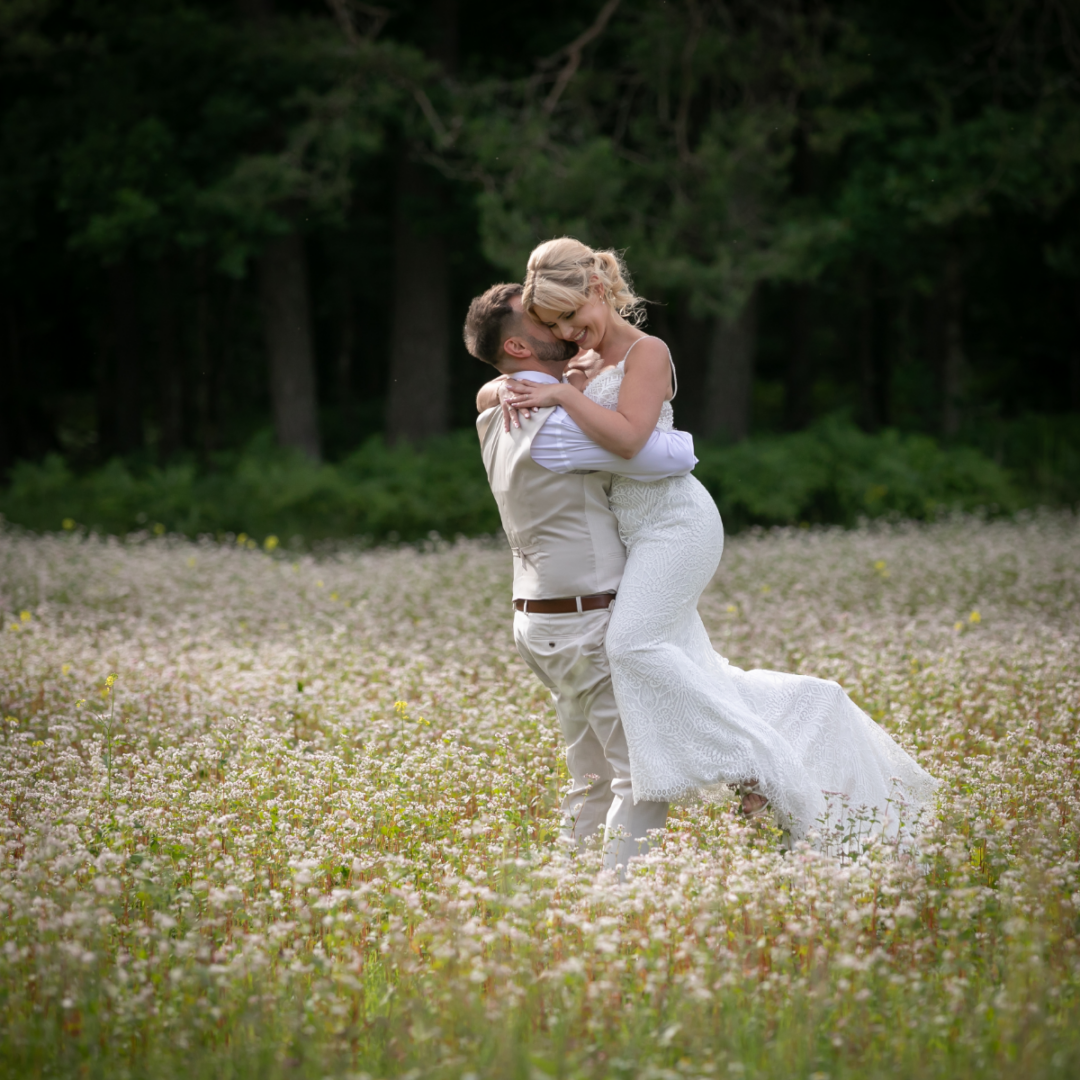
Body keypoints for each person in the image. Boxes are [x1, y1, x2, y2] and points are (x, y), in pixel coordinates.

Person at [493, 238, 940, 850]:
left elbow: (627, 441)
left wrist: (564, 394)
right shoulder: (586, 361)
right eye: (555, 326)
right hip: (636, 528)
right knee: (698, 671)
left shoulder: (649, 352)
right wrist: (566, 381)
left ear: (599, 288)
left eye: (573, 316)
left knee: (629, 647)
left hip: (676, 524)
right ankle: (809, 711)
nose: (571, 332)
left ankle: (756, 765)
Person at [463, 283, 698, 872]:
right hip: (582, 619)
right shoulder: (557, 426)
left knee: (590, 780)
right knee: (641, 779)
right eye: (543, 320)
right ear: (518, 344)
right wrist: (578, 398)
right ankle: (616, 908)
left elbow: (494, 389)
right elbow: (669, 455)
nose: (561, 327)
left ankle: (563, 892)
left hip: (539, 621)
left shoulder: (498, 409)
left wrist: (562, 388)